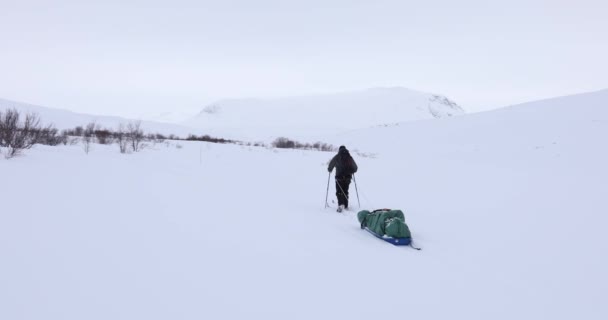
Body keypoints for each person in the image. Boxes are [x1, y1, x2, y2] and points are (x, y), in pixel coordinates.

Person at [328, 145, 358, 212]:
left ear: (339, 150)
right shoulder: (350, 157)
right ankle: (346, 205)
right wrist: (351, 171)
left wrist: (330, 170)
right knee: (345, 191)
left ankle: (341, 204)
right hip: (348, 178)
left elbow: (331, 165)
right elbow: (355, 168)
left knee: (339, 192)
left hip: (339, 178)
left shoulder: (337, 156)